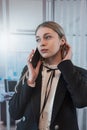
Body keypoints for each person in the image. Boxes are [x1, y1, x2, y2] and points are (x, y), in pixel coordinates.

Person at [9, 21, 87, 130]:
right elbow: (14, 112)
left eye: (48, 37)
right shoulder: (29, 70)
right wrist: (30, 81)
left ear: (62, 41)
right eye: (38, 39)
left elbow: (81, 101)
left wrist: (66, 66)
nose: (42, 43)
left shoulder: (77, 73)